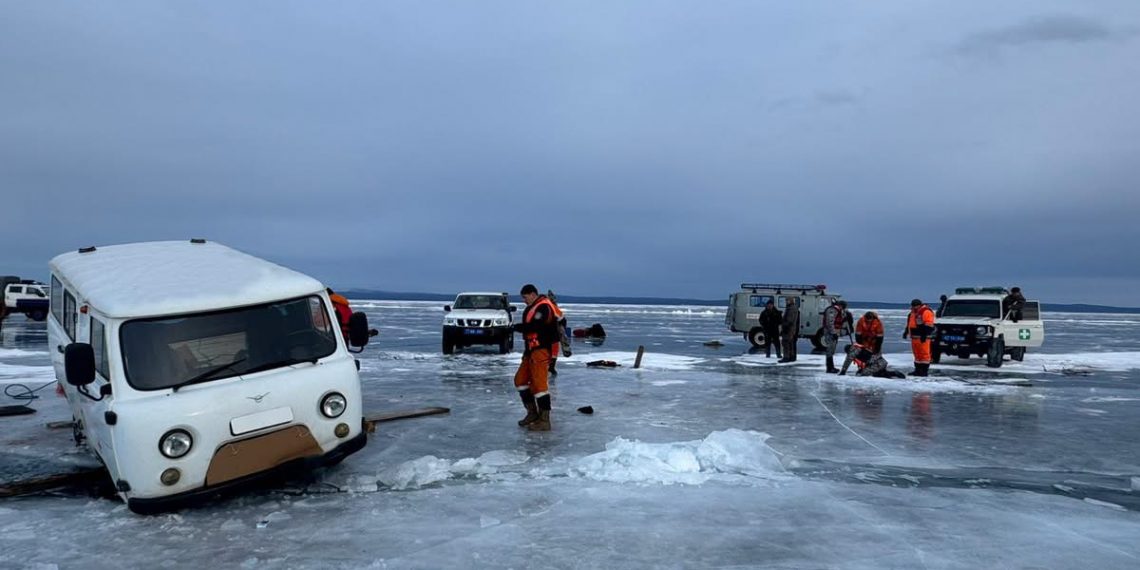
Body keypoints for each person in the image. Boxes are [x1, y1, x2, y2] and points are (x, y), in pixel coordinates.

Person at [511, 284, 560, 431]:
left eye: (525, 297)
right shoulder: (532, 307)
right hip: (530, 351)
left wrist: (515, 327)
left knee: (539, 386)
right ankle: (532, 413)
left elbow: (536, 326)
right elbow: (531, 328)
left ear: (532, 294)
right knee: (520, 380)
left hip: (541, 350)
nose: (524, 301)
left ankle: (544, 420)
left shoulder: (544, 308)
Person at [902, 298, 936, 377]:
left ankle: (924, 371)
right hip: (914, 337)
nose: (914, 308)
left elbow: (929, 325)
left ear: (920, 305)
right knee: (917, 355)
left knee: (924, 354)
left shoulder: (926, 312)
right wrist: (906, 332)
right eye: (913, 306)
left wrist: (924, 335)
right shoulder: (912, 313)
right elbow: (910, 324)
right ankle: (917, 370)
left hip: (923, 337)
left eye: (915, 306)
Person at [838, 342, 906, 378]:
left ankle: (892, 373)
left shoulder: (853, 351)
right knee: (866, 371)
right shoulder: (858, 347)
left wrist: (843, 371)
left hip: (877, 364)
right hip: (881, 361)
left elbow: (847, 361)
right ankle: (885, 372)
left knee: (861, 374)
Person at [822, 299, 853, 373]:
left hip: (834, 332)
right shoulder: (832, 310)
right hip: (829, 332)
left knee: (832, 349)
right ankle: (829, 368)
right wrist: (833, 333)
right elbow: (830, 322)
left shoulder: (838, 311)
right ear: (841, 306)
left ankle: (831, 367)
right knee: (830, 349)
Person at [546, 290, 572, 375]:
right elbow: (562, 319)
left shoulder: (542, 307)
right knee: (553, 350)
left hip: (546, 334)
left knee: (549, 350)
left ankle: (549, 367)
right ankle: (551, 367)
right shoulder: (553, 307)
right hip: (553, 333)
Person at [778, 298, 800, 363]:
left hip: (788, 329)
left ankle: (786, 357)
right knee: (791, 343)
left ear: (790, 301)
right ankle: (792, 356)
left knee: (786, 343)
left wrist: (783, 323)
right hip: (791, 329)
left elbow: (789, 320)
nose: (786, 302)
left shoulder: (790, 308)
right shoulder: (794, 308)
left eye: (787, 300)